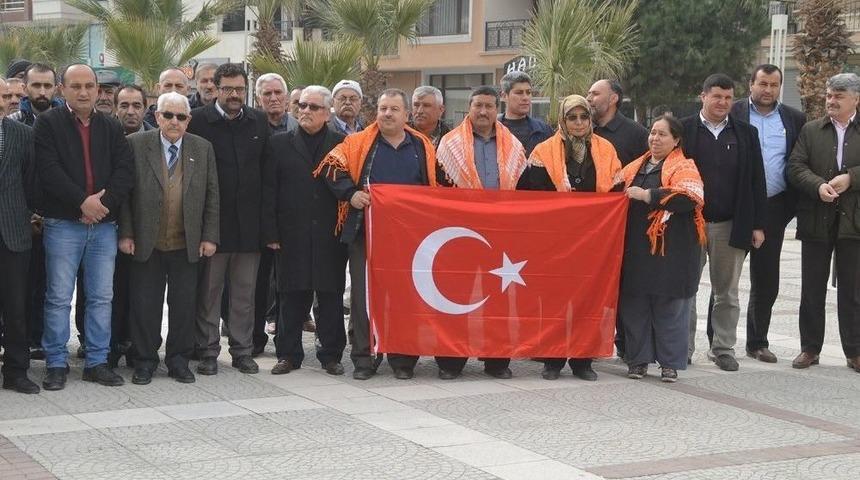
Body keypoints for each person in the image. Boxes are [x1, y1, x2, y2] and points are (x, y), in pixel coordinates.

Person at [320, 88, 439, 380]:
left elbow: (436, 184)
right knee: (363, 297)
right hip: (366, 232)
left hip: (410, 237)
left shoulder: (421, 145)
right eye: (383, 108)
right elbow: (330, 169)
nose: (387, 114)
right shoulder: (358, 142)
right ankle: (365, 357)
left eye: (394, 109)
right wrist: (351, 194)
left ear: (406, 115)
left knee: (405, 296)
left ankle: (403, 357)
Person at [34, 63, 135, 390]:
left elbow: (124, 171)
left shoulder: (111, 126)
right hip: (64, 223)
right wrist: (82, 202)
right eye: (75, 86)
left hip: (104, 227)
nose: (83, 92)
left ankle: (96, 361)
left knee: (101, 297)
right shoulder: (47, 124)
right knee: (59, 296)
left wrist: (100, 206)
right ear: (62, 88)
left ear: (97, 89)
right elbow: (48, 171)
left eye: (89, 86)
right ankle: (56, 362)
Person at [518, 94, 622, 381]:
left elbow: (616, 192)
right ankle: (552, 360)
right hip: (554, 241)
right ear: (562, 120)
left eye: (583, 117)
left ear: (590, 119)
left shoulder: (606, 150)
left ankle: (582, 361)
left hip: (593, 242)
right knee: (554, 300)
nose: (578, 123)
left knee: (588, 300)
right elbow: (533, 195)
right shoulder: (542, 151)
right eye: (571, 117)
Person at [120, 92, 220, 385]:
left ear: (188, 119)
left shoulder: (203, 149)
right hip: (145, 241)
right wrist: (126, 233)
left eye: (180, 116)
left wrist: (209, 236)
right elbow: (125, 196)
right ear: (156, 116)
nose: (174, 121)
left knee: (184, 305)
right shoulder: (136, 145)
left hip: (186, 242)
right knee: (145, 304)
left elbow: (213, 195)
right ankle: (144, 361)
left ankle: (178, 360)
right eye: (167, 115)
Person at [435, 86, 527, 380]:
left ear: (496, 107)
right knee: (458, 295)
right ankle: (451, 360)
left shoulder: (513, 145)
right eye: (478, 106)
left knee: (499, 297)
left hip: (501, 230)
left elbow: (523, 188)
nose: (484, 112)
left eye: (489, 106)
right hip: (460, 231)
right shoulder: (448, 145)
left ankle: (497, 360)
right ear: (469, 108)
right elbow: (437, 189)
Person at [187, 63, 269, 376]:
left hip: (249, 227)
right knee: (209, 293)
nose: (234, 95)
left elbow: (265, 176)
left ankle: (242, 351)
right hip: (212, 227)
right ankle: (207, 351)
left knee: (244, 295)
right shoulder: (198, 121)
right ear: (215, 89)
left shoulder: (258, 121)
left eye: (239, 89)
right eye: (227, 89)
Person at [681, 73, 766, 371]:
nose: (723, 102)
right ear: (703, 96)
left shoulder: (745, 133)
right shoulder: (684, 129)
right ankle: (683, 348)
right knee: (686, 288)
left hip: (729, 224)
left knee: (726, 291)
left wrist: (758, 225)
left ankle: (723, 348)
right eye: (717, 96)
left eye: (729, 98)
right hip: (689, 223)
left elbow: (757, 180)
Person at [263, 85, 348, 375]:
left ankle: (331, 355)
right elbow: (269, 191)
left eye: (313, 107)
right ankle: (288, 354)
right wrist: (271, 233)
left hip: (329, 234)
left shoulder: (342, 144)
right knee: (290, 295)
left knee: (330, 295)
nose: (305, 111)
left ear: (327, 113)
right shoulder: (279, 143)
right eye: (301, 105)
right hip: (290, 233)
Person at [618, 114, 705, 382]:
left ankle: (670, 364)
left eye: (662, 134)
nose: (655, 139)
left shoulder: (684, 167)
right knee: (635, 305)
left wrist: (648, 196)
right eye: (653, 133)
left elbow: (690, 198)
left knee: (671, 307)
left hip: (672, 250)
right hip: (636, 249)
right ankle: (638, 360)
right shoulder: (634, 168)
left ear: (676, 140)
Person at [730, 64, 806, 364]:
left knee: (767, 279)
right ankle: (718, 342)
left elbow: (798, 161)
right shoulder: (733, 113)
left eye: (774, 85)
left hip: (774, 207)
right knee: (727, 277)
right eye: (763, 83)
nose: (768, 90)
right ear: (751, 84)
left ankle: (757, 342)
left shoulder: (794, 119)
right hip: (736, 207)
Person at [787, 72, 860, 373]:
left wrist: (851, 178)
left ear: (856, 99)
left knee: (853, 291)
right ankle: (810, 348)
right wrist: (818, 185)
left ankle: (854, 351)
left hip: (853, 223)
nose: (831, 101)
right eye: (829, 95)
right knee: (811, 288)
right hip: (817, 218)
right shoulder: (811, 130)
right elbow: (795, 166)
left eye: (838, 96)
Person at [0, 77, 40, 394]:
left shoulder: (23, 135)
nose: (4, 101)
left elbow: (31, 182)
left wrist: (28, 215)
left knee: (16, 307)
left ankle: (16, 371)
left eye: (5, 96)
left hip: (13, 231)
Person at [587, 79, 649, 165]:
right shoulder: (583, 131)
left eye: (595, 94)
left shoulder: (637, 134)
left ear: (613, 99)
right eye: (588, 94)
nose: (588, 99)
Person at [498, 71, 553, 157]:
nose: (525, 98)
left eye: (528, 92)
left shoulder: (544, 131)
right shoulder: (493, 130)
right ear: (504, 96)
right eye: (519, 93)